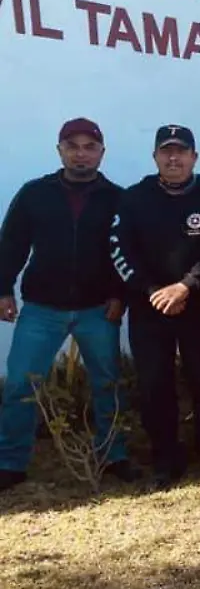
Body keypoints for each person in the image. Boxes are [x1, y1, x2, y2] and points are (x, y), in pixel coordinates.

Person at [0, 118, 135, 491]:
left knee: (108, 384)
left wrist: (120, 296)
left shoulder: (118, 197)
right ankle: (11, 462)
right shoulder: (34, 193)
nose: (81, 154)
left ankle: (114, 454)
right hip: (42, 308)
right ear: (59, 150)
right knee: (20, 386)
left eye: (89, 147)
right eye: (72, 146)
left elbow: (125, 252)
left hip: (98, 309)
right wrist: (3, 289)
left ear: (101, 153)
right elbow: (11, 243)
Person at [110, 124, 200, 490]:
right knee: (154, 385)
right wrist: (153, 290)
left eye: (181, 151)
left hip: (198, 307)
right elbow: (120, 250)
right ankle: (166, 459)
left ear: (194, 158)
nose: (173, 157)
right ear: (155, 157)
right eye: (166, 151)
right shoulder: (133, 199)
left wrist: (185, 286)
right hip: (150, 308)